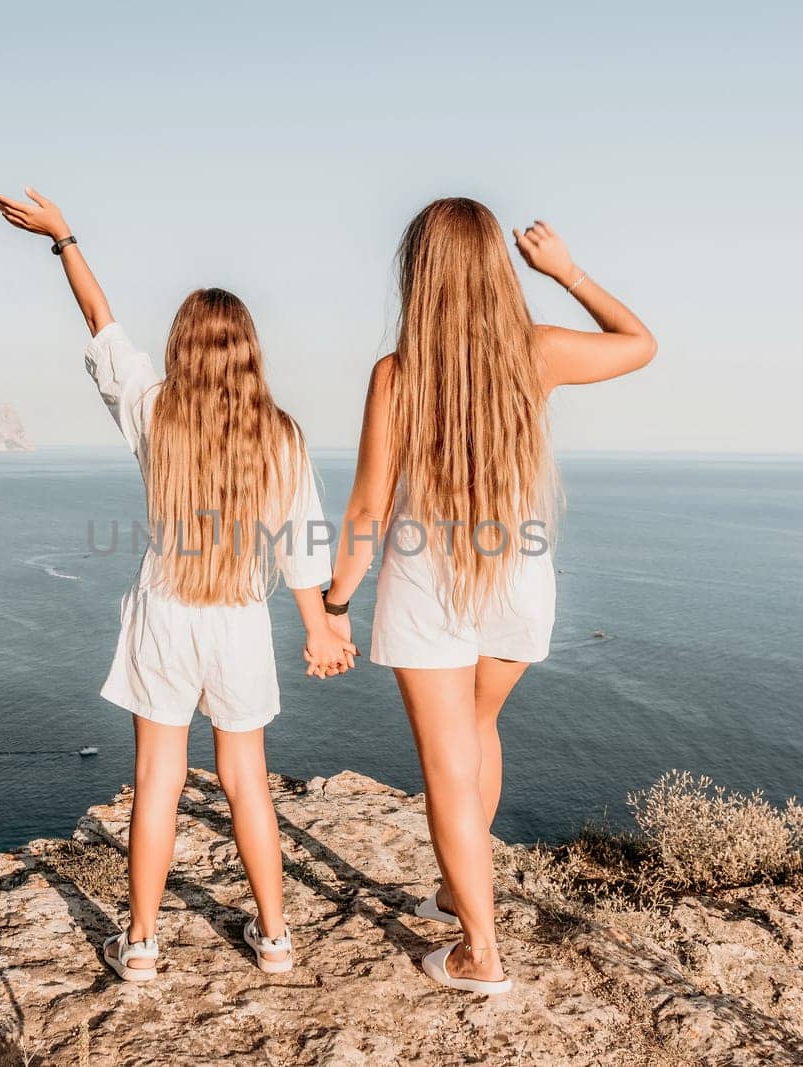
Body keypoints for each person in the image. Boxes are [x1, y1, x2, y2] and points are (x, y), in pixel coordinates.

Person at [0, 187, 357, 981]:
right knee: (246, 782)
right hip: (236, 619)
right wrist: (324, 628)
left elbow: (102, 323)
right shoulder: (282, 433)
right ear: (251, 351)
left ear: (184, 348)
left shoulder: (156, 409)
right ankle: (274, 939)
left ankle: (144, 943)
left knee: (157, 779)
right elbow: (302, 548)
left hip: (165, 612)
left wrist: (65, 240)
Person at [322, 198, 656, 994]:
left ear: (420, 273)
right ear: (499, 271)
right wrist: (568, 271)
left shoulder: (398, 373)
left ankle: (480, 951)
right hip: (519, 574)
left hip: (428, 580)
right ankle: (453, 890)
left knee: (446, 762)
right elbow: (640, 344)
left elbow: (369, 508)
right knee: (477, 728)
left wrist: (334, 604)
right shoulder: (535, 353)